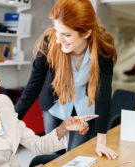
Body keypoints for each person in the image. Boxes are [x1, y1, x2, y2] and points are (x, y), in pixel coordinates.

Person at [15, 0, 117, 160]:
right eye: (57, 31)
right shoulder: (49, 44)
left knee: (74, 155)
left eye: (67, 35)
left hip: (83, 108)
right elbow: (32, 87)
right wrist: (11, 122)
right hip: (55, 104)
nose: (58, 40)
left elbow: (103, 93)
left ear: (86, 33)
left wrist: (101, 140)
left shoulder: (103, 50)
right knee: (53, 154)